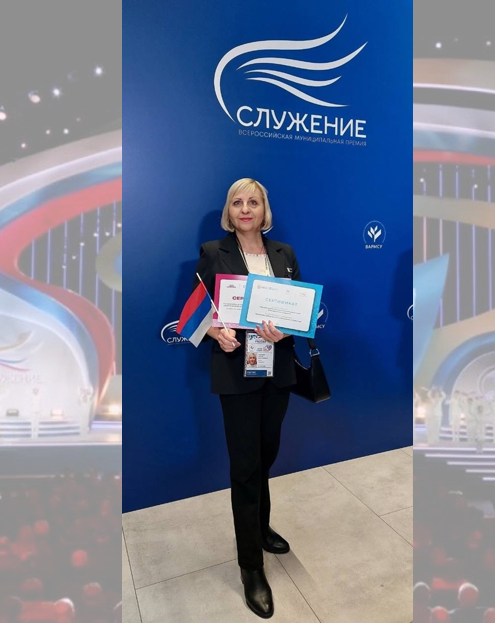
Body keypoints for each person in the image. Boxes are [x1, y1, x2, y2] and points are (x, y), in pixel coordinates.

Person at [191, 178, 302, 619]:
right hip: (237, 375)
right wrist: (215, 332)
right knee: (245, 468)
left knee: (266, 456)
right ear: (229, 211)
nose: (245, 208)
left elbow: (301, 310)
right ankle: (251, 567)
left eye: (253, 201)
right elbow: (195, 314)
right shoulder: (212, 251)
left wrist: (288, 328)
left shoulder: (284, 254)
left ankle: (261, 528)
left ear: (264, 210)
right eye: (237, 202)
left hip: (278, 372)